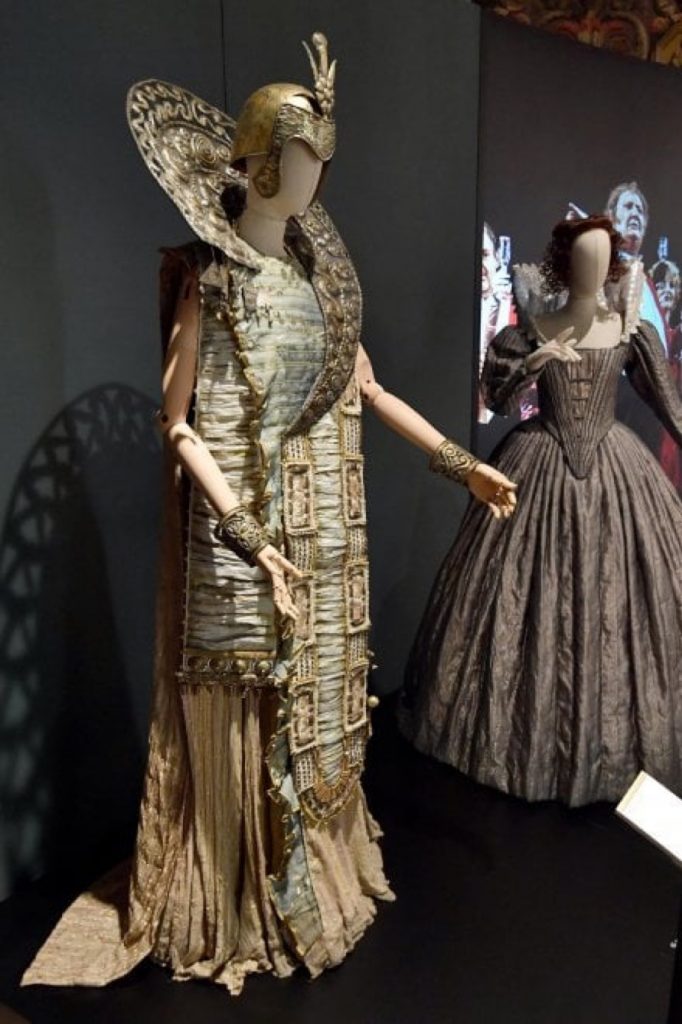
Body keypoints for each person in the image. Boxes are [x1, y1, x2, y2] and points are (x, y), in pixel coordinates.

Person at [22, 33, 516, 995]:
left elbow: (371, 393)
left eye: (322, 159)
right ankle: (239, 895)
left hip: (322, 537)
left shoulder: (319, 285)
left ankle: (314, 877)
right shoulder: (209, 283)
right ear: (256, 162)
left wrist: (462, 468)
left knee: (322, 707)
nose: (315, 176)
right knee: (249, 703)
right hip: (246, 541)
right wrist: (248, 539)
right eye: (300, 157)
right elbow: (179, 427)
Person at [402, 215, 682, 807]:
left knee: (631, 601)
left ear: (614, 265)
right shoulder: (531, 329)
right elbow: (498, 400)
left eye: (603, 258)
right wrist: (534, 361)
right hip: (539, 462)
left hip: (614, 468)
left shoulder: (629, 329)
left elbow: (669, 406)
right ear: (564, 263)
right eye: (584, 257)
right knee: (517, 600)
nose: (594, 269)